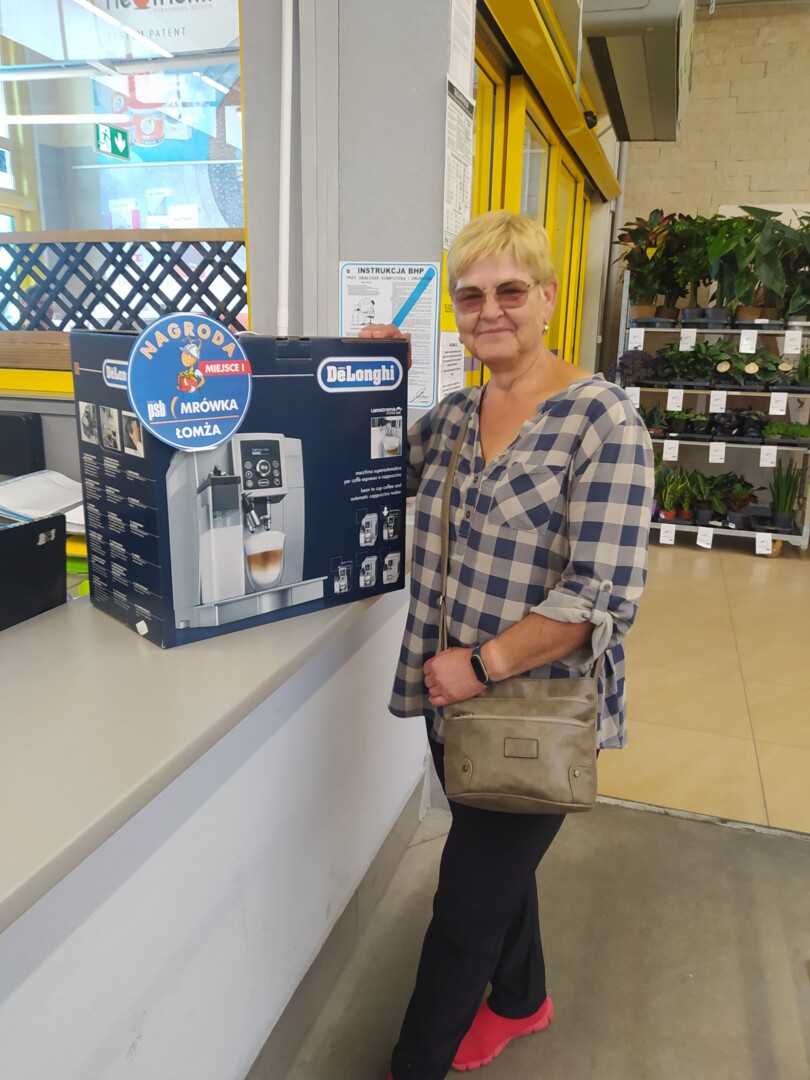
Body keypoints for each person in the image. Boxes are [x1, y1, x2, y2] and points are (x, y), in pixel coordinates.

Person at [360, 209, 654, 1080]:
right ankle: (522, 1001)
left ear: (549, 298)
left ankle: (414, 1064)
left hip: (530, 710)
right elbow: (374, 472)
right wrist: (372, 382)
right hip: (453, 705)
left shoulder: (603, 423)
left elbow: (599, 599)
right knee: (495, 867)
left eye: (511, 291)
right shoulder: (455, 416)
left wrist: (482, 664)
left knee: (465, 907)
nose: (490, 310)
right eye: (471, 295)